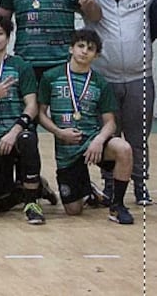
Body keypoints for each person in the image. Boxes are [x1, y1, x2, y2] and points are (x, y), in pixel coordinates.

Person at [37, 29, 134, 224]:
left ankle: (117, 206)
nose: (84, 51)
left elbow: (110, 123)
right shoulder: (51, 77)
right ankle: (87, 190)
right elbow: (40, 114)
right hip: (67, 148)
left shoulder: (100, 83)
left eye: (90, 49)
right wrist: (58, 132)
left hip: (91, 142)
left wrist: (98, 140)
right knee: (73, 211)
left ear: (96, 55)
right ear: (71, 48)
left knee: (124, 149)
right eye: (80, 46)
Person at [86, 0, 157, 205]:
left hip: (140, 79)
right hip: (105, 81)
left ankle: (140, 186)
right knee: (108, 136)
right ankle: (109, 185)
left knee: (138, 138)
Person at [0, 14, 45, 224]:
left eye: (0, 33)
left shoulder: (21, 66)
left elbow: (32, 106)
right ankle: (33, 187)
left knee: (28, 138)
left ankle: (32, 202)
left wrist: (14, 132)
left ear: (8, 37)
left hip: (15, 135)